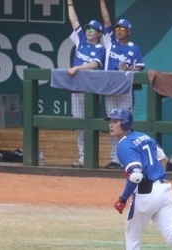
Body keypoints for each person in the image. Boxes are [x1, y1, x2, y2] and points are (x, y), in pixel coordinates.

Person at [105, 108, 172, 249]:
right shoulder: (145, 137)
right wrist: (154, 176)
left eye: (115, 121)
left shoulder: (124, 146)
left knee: (132, 235)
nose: (110, 125)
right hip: (164, 191)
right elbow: (164, 159)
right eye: (110, 121)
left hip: (145, 194)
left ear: (125, 123)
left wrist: (123, 199)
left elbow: (136, 176)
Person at [99, 0, 145, 169]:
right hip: (110, 89)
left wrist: (128, 68)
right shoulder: (110, 42)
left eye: (122, 29)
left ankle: (128, 158)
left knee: (125, 125)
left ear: (129, 31)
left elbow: (139, 69)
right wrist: (102, 2)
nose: (118, 31)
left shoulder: (134, 48)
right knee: (112, 125)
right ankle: (114, 158)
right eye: (117, 29)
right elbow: (106, 21)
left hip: (125, 90)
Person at [66, 0, 105, 168]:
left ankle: (92, 157)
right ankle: (82, 157)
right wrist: (69, 4)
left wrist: (77, 67)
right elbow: (74, 21)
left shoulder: (101, 49)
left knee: (91, 123)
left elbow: (94, 65)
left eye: (93, 30)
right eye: (88, 29)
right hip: (76, 89)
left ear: (99, 34)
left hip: (91, 92)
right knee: (79, 125)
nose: (89, 31)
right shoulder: (81, 40)